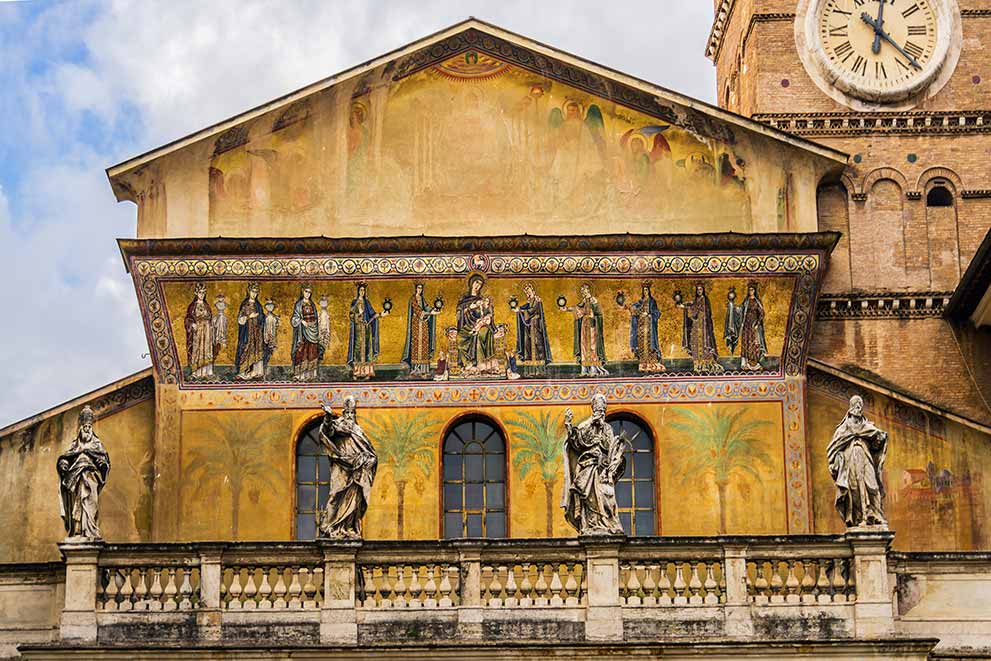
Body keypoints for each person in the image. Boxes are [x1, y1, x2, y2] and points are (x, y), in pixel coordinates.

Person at [561, 394, 626, 535]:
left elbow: (610, 448)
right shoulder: (586, 425)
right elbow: (576, 442)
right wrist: (569, 425)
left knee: (605, 497)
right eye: (598, 410)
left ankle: (605, 523)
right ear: (593, 410)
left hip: (602, 469)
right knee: (588, 498)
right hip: (587, 466)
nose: (600, 413)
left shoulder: (607, 429)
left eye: (602, 411)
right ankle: (590, 524)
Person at [317, 397, 378, 540]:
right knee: (335, 495)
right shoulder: (337, 425)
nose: (350, 416)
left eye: (352, 413)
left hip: (357, 470)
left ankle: (348, 528)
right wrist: (327, 417)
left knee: (355, 501)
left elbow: (371, 453)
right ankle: (329, 526)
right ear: (343, 413)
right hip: (341, 466)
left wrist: (369, 460)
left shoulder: (358, 431)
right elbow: (327, 431)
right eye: (348, 413)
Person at [827, 396, 888, 528]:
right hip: (850, 460)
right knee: (854, 489)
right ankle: (860, 517)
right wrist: (835, 462)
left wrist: (879, 439)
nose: (858, 407)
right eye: (855, 404)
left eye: (860, 404)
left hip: (865, 457)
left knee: (872, 485)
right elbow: (834, 447)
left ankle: (875, 514)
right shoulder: (843, 429)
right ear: (851, 407)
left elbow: (877, 444)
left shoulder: (868, 426)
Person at [57, 406, 111, 540]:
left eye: (89, 426)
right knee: (78, 502)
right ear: (80, 428)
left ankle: (89, 530)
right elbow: (65, 458)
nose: (86, 429)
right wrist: (63, 464)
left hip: (91, 479)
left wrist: (102, 465)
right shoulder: (75, 445)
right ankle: (78, 530)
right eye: (84, 426)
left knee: (90, 503)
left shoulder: (97, 444)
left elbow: (103, 460)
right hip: (76, 481)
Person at [561, 283, 608, 376]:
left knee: (592, 347)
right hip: (584, 326)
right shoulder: (583, 301)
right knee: (583, 347)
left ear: (588, 290)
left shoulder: (593, 301)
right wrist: (566, 308)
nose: (582, 292)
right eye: (581, 291)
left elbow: (599, 314)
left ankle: (593, 369)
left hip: (592, 326)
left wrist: (593, 315)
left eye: (583, 290)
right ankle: (585, 370)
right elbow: (576, 308)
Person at [456, 274, 498, 375]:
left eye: (480, 284)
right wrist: (470, 307)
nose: (477, 286)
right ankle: (468, 364)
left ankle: (481, 365)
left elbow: (488, 313)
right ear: (471, 283)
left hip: (481, 326)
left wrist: (484, 309)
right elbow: (459, 312)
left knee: (480, 334)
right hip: (468, 326)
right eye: (476, 283)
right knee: (459, 338)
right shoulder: (464, 300)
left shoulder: (482, 300)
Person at [678, 280, 722, 373]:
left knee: (704, 344)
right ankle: (698, 364)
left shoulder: (704, 300)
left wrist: (686, 307)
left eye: (700, 289)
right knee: (694, 343)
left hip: (703, 326)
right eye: (698, 290)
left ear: (703, 290)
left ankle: (705, 364)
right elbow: (694, 307)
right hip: (696, 325)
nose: (699, 291)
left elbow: (698, 310)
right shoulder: (697, 300)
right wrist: (688, 305)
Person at [347, 282, 387, 379]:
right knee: (357, 350)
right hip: (358, 330)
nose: (362, 292)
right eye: (361, 290)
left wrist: (382, 314)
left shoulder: (367, 303)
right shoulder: (354, 302)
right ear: (358, 291)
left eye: (364, 290)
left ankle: (367, 372)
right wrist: (358, 314)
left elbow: (372, 315)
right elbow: (351, 315)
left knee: (367, 349)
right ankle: (357, 372)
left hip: (366, 329)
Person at [402, 282, 440, 376]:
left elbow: (426, 307)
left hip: (423, 324)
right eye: (418, 288)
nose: (420, 290)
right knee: (415, 344)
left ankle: (424, 370)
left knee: (424, 344)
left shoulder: (422, 299)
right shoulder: (413, 299)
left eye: (421, 288)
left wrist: (433, 310)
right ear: (416, 288)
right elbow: (418, 311)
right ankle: (415, 369)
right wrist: (430, 313)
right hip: (416, 324)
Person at [515, 281, 551, 376]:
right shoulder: (529, 302)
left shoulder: (537, 301)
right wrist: (518, 309)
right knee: (528, 348)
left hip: (536, 327)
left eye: (529, 290)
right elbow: (525, 308)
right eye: (526, 292)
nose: (527, 293)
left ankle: (540, 371)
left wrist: (521, 310)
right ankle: (530, 371)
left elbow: (532, 310)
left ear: (533, 290)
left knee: (538, 346)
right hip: (529, 328)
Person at [626, 281, 664, 373]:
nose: (645, 292)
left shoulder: (652, 302)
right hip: (641, 327)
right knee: (642, 345)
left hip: (650, 326)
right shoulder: (640, 302)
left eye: (646, 290)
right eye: (644, 290)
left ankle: (652, 363)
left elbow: (657, 313)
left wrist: (649, 314)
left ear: (649, 291)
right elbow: (635, 310)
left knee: (651, 345)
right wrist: (630, 308)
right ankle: (643, 363)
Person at [291, 285, 324, 381]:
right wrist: (301, 321)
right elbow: (294, 318)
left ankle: (310, 374)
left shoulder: (312, 304)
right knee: (302, 351)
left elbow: (316, 318)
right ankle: (300, 375)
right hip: (303, 332)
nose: (307, 294)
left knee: (312, 351)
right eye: (306, 291)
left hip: (313, 330)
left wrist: (315, 326)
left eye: (309, 292)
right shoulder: (299, 304)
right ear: (302, 292)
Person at [184, 283, 215, 380]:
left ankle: (207, 371)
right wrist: (192, 324)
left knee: (206, 350)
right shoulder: (192, 306)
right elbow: (187, 318)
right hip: (197, 331)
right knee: (197, 349)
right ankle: (196, 372)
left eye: (203, 293)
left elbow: (210, 318)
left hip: (207, 331)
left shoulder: (207, 306)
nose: (202, 295)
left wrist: (211, 325)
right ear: (196, 293)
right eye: (200, 292)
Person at [235, 283, 265, 380]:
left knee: (256, 350)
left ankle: (255, 372)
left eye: (256, 292)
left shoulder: (258, 305)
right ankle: (244, 372)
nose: (254, 294)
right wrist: (249, 317)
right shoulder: (245, 304)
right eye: (253, 292)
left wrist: (263, 318)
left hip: (257, 332)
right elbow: (240, 319)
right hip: (247, 332)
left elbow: (262, 317)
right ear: (249, 292)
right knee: (246, 349)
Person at [739, 281, 767, 372]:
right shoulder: (746, 301)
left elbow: (762, 313)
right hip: (746, 325)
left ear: (754, 291)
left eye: (752, 290)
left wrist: (757, 323)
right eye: (749, 290)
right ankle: (745, 363)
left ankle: (754, 363)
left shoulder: (756, 302)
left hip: (753, 325)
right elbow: (741, 311)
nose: (750, 291)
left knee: (754, 343)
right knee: (746, 342)